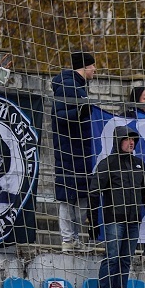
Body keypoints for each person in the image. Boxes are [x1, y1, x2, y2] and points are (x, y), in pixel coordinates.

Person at [91, 126, 145, 288]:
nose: (131, 142)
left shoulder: (139, 164)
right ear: (118, 141)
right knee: (112, 258)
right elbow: (94, 192)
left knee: (126, 260)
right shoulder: (107, 164)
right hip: (114, 220)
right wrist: (92, 220)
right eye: (127, 139)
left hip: (134, 221)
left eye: (133, 139)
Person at [52, 51, 97, 252]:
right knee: (68, 196)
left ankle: (74, 239)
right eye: (93, 65)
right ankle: (68, 240)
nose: (95, 69)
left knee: (79, 196)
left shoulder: (78, 86)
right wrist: (81, 111)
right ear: (85, 66)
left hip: (80, 150)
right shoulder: (69, 85)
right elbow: (60, 115)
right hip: (69, 151)